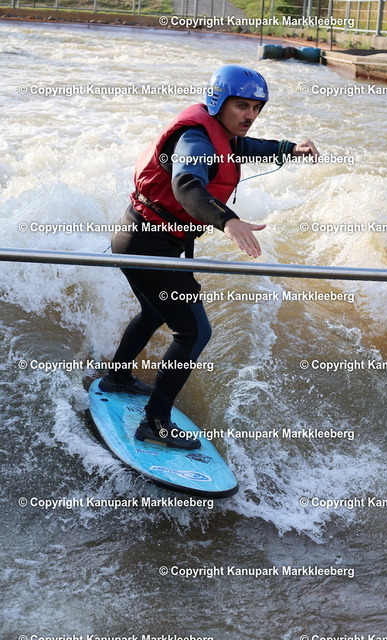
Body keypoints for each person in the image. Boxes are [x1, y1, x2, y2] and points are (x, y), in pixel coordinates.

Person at [99, 64, 318, 451]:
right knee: (194, 332)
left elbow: (245, 147)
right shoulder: (196, 140)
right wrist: (227, 220)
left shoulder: (224, 134)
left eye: (256, 107)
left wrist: (288, 148)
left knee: (154, 312)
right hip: (149, 244)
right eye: (241, 106)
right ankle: (155, 423)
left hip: (139, 236)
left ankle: (116, 378)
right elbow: (186, 185)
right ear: (218, 102)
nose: (250, 115)